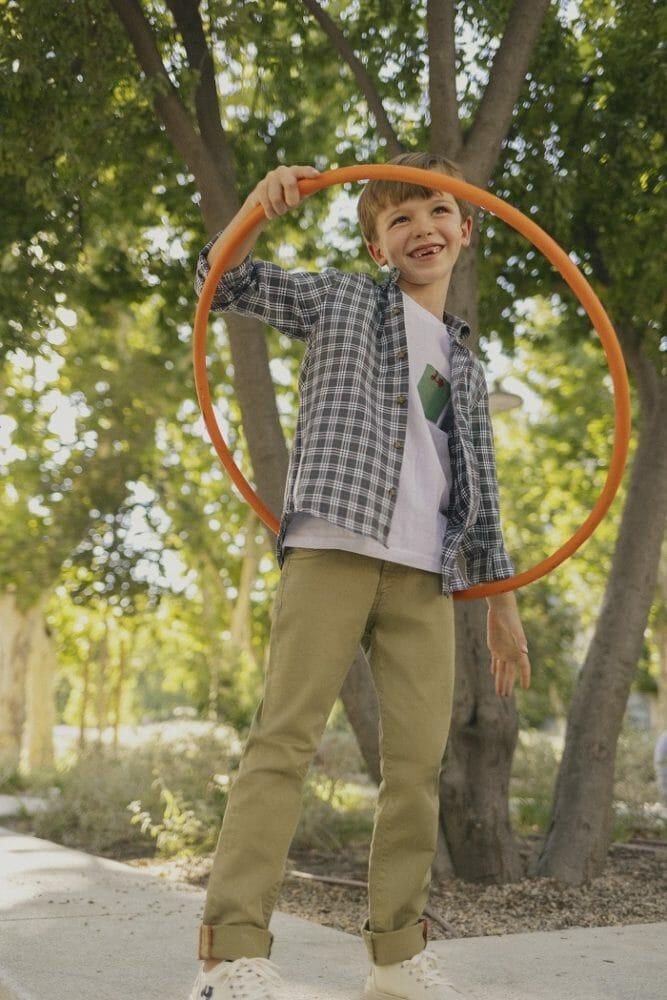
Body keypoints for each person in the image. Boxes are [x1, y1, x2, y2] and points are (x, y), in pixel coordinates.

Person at [188, 151, 531, 1000]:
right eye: (399, 219)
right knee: (285, 739)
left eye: (436, 214)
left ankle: (395, 957)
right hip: (334, 548)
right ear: (377, 247)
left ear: (466, 227)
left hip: (425, 576)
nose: (422, 229)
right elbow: (218, 282)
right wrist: (256, 210)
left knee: (416, 764)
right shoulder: (341, 299)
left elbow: (478, 496)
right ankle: (231, 953)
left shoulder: (466, 365)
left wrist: (501, 605)